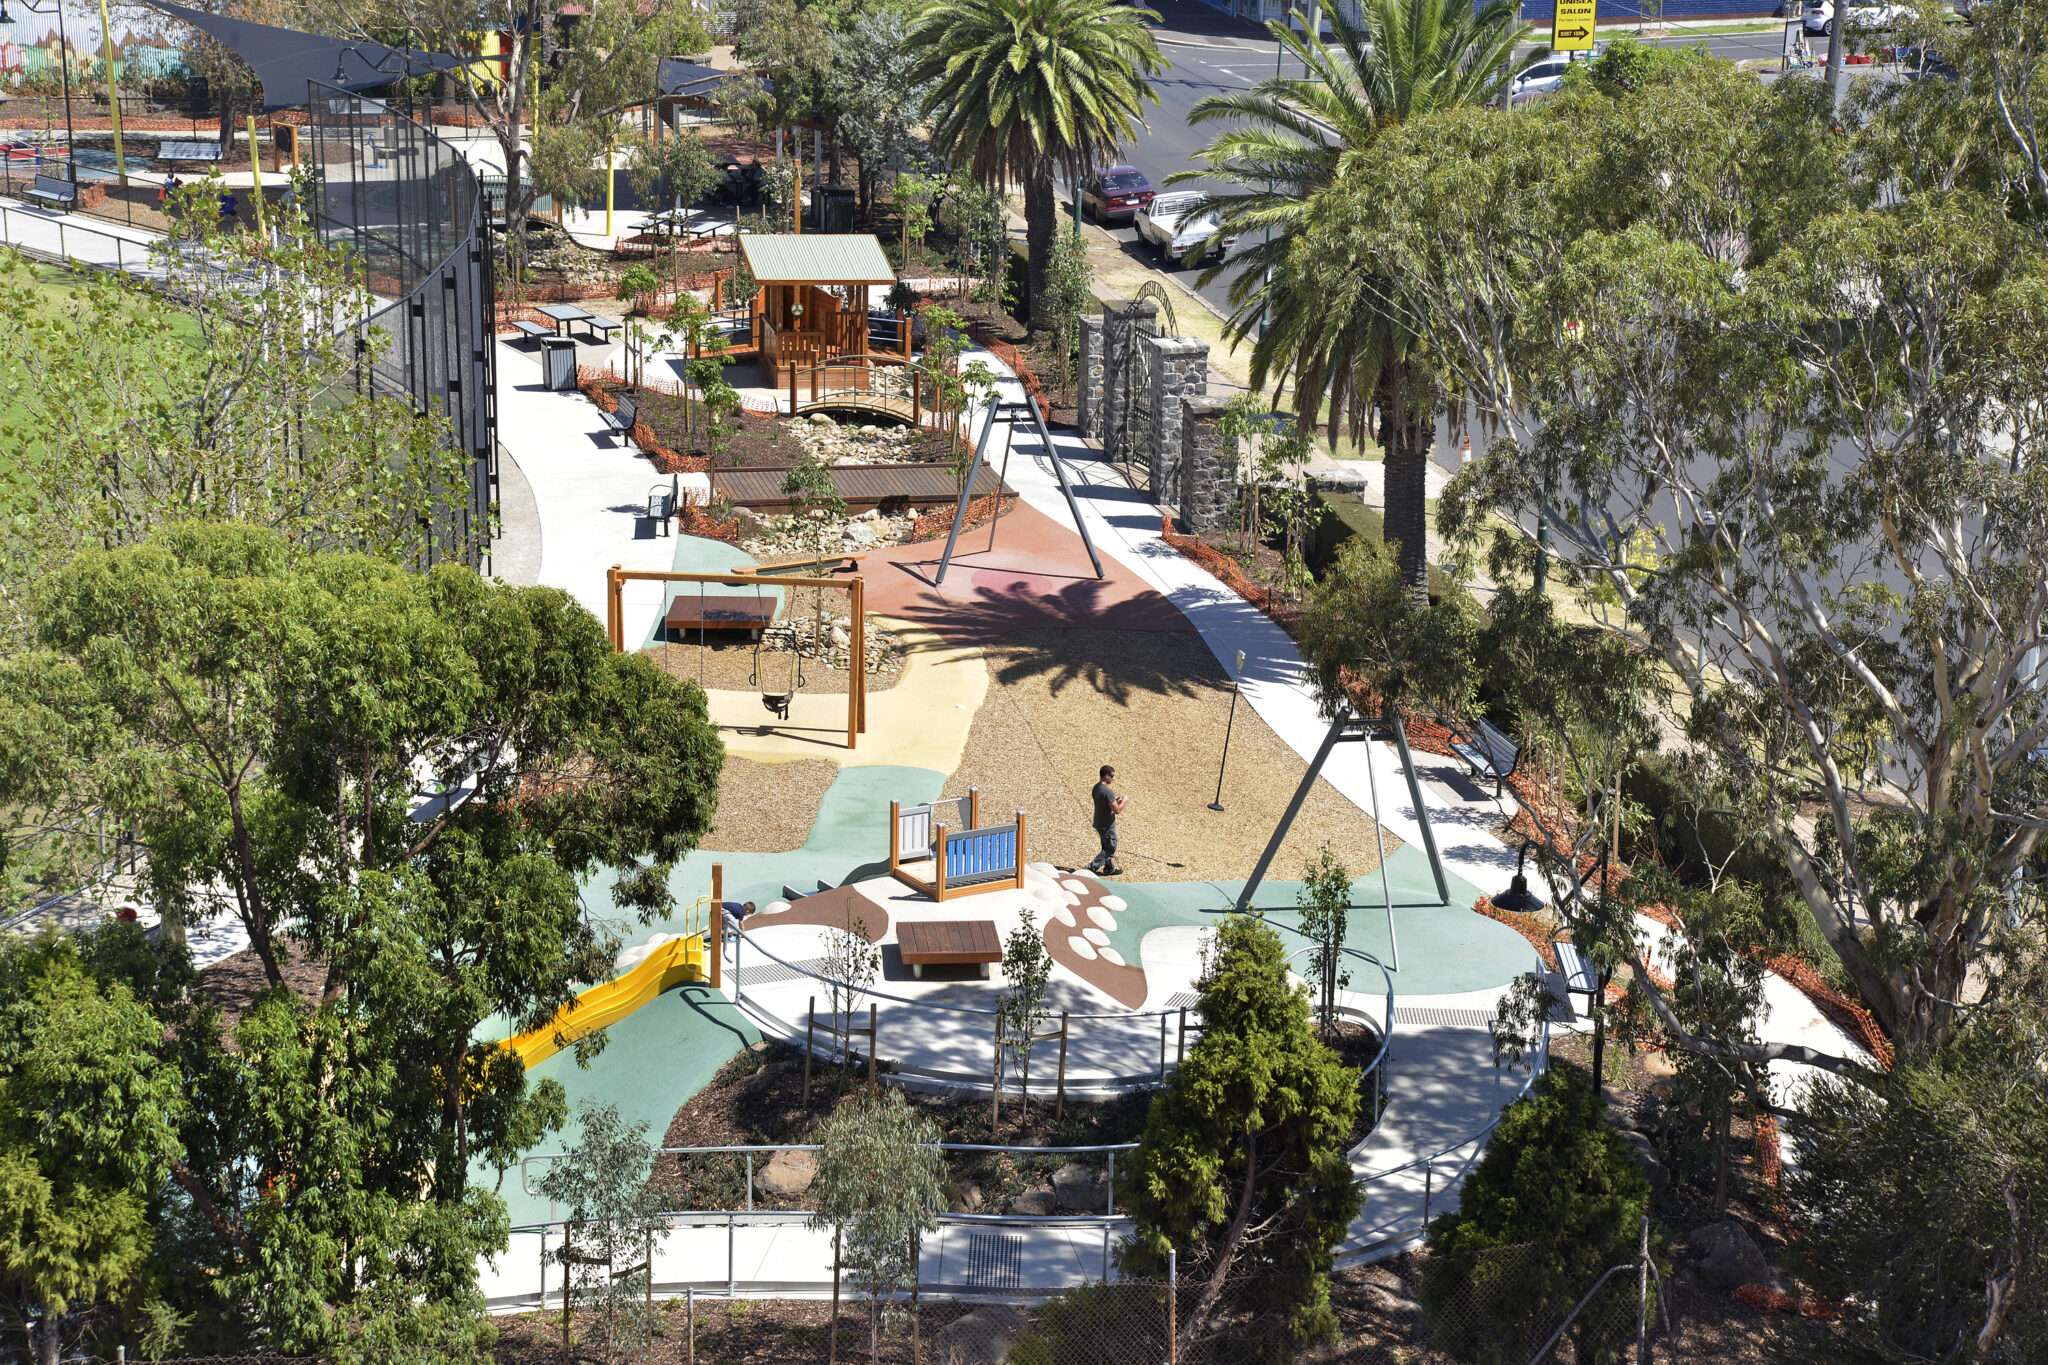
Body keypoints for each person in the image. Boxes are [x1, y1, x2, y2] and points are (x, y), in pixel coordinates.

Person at [1086, 764, 1126, 876]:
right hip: (1106, 824)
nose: (1113, 779)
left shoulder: (1096, 788)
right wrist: (1124, 801)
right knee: (1110, 847)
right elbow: (1117, 810)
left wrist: (1114, 800)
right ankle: (1091, 867)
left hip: (1099, 821)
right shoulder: (1108, 791)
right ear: (1106, 776)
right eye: (1112, 776)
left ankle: (1109, 868)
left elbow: (1105, 805)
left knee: (1106, 845)